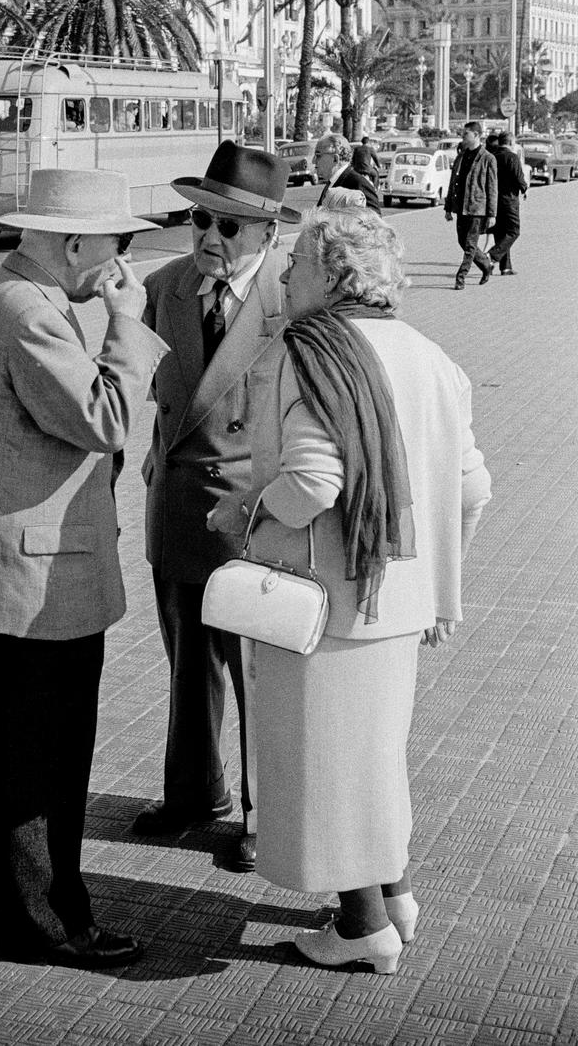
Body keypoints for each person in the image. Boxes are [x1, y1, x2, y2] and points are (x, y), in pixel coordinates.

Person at [208, 208, 491, 974]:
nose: (286, 278)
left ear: (330, 277)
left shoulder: (306, 355)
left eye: (296, 264)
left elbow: (312, 481)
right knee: (374, 757)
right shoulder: (431, 356)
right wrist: (439, 584)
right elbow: (474, 487)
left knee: (329, 767)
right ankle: (394, 896)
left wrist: (246, 509)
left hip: (325, 602)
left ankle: (363, 926)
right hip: (398, 599)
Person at [0, 168, 169, 968]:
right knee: (44, 755)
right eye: (116, 242)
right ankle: (53, 921)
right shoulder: (33, 313)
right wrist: (127, 326)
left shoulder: (10, 293)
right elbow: (105, 416)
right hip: (34, 576)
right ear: (71, 245)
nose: (124, 256)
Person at [131, 140, 301, 874]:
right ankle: (195, 791)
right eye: (201, 218)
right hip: (177, 508)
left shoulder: (292, 302)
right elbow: (138, 391)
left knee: (255, 673)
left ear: (268, 233)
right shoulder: (163, 286)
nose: (210, 237)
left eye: (230, 226)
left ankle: (267, 814)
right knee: (187, 664)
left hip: (251, 519)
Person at [445, 121, 497, 290]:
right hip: (461, 206)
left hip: (477, 208)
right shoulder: (462, 156)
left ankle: (461, 276)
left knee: (470, 244)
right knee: (463, 241)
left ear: (476, 135)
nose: (463, 138)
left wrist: (491, 214)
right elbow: (453, 182)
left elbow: (492, 188)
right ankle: (486, 265)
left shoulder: (488, 158)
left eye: (466, 134)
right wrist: (448, 207)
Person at [488, 131, 527, 276]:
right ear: (511, 142)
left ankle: (505, 267)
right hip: (509, 200)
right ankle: (491, 256)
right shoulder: (512, 157)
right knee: (513, 231)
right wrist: (524, 188)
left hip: (494, 200)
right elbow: (518, 177)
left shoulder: (492, 157)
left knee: (500, 232)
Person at [314, 133, 381, 214]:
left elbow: (375, 221)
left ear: (335, 159)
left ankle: (377, 186)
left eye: (318, 156)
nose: (313, 161)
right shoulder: (332, 182)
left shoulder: (358, 184)